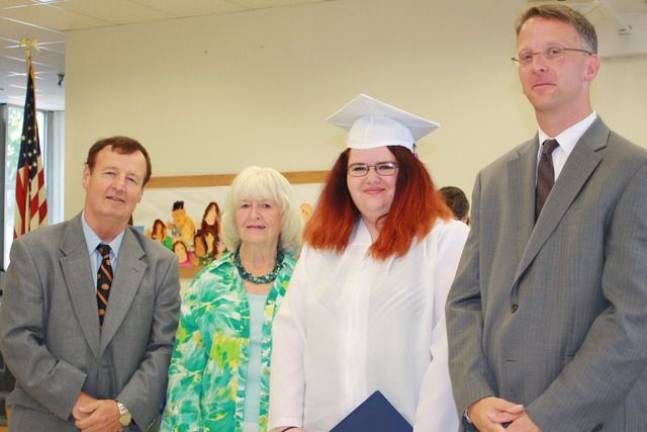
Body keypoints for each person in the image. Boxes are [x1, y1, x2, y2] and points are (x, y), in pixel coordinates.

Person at [446, 5, 647, 432]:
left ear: (591, 65)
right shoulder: (493, 179)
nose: (538, 65)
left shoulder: (632, 171)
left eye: (555, 52)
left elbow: (632, 318)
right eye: (527, 56)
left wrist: (545, 418)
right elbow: (465, 302)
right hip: (495, 416)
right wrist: (474, 395)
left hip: (590, 418)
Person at [268, 94, 469, 432]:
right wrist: (286, 423)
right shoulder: (323, 247)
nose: (370, 178)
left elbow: (450, 348)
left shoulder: (443, 240)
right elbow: (292, 333)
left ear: (409, 173)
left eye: (385, 166)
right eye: (358, 168)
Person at [0, 136, 181, 431]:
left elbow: (164, 348)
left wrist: (121, 409)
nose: (120, 186)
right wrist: (75, 399)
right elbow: (17, 339)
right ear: (87, 176)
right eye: (110, 173)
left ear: (141, 193)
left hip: (124, 425)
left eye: (132, 179)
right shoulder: (33, 252)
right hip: (46, 420)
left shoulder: (162, 264)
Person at [161, 166, 303, 432]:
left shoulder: (303, 282)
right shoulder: (208, 283)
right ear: (233, 216)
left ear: (284, 215)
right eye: (245, 205)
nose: (254, 215)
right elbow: (185, 373)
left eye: (266, 205)